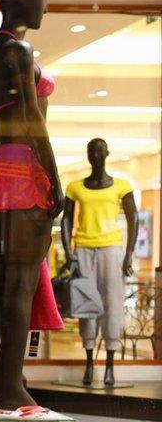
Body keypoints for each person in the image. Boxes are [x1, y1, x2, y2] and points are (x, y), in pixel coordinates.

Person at [0, 0, 64, 409]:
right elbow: (32, 120)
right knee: (21, 282)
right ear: (24, 2)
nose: (46, 10)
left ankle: (0, 380)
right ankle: (9, 385)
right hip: (25, 168)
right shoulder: (19, 50)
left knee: (4, 278)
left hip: (2, 166)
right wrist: (55, 176)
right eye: (43, 2)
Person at [61, 138, 138, 385]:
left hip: (111, 249)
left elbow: (133, 218)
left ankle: (110, 365)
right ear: (87, 155)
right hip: (83, 249)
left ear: (107, 153)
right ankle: (90, 362)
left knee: (112, 303)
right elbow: (66, 220)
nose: (96, 154)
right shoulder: (75, 187)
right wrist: (68, 252)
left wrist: (128, 254)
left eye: (100, 150)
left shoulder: (122, 186)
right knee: (87, 306)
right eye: (91, 150)